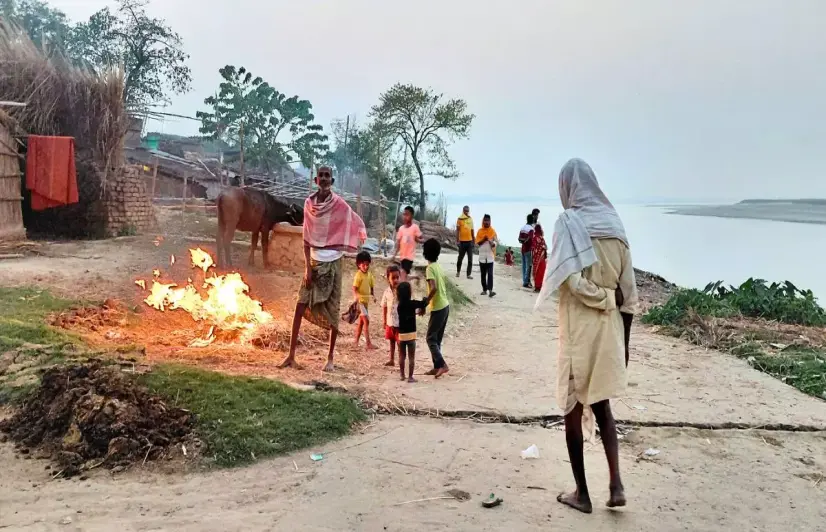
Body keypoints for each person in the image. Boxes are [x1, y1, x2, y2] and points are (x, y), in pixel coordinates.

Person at [535, 158, 637, 514]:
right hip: (609, 332)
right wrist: (624, 345)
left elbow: (571, 281)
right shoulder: (616, 225)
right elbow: (630, 297)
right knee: (604, 406)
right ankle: (616, 482)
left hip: (579, 330)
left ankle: (581, 492)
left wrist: (603, 297)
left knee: (572, 409)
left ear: (567, 187)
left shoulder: (568, 223)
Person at [280, 165, 367, 372]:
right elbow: (306, 238)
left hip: (334, 263)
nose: (325, 179)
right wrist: (307, 268)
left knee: (333, 309)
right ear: (316, 180)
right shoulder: (309, 204)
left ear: (332, 181)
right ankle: (291, 356)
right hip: (314, 262)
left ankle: (330, 359)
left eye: (328, 176)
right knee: (300, 305)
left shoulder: (340, 205)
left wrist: (360, 233)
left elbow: (355, 220)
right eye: (321, 175)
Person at [423, 238, 450, 378]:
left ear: (425, 253)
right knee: (436, 339)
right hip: (445, 305)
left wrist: (426, 302)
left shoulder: (429, 269)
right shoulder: (438, 266)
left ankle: (442, 364)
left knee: (430, 338)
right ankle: (436, 367)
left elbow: (433, 288)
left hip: (438, 307)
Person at [395, 281, 429, 382]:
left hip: (402, 335)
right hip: (411, 335)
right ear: (409, 293)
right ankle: (410, 377)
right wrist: (425, 299)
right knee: (411, 357)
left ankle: (402, 375)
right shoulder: (412, 303)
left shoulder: (399, 306)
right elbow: (424, 303)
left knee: (402, 356)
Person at [353, 251, 377, 350]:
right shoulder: (358, 275)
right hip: (360, 302)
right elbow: (354, 288)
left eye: (367, 264)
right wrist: (356, 296)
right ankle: (368, 344)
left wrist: (373, 296)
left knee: (362, 323)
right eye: (364, 264)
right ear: (359, 264)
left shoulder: (369, 275)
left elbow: (371, 287)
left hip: (366, 302)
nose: (366, 266)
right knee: (366, 321)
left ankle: (356, 341)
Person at [393, 205, 423, 281]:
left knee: (402, 274)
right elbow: (398, 243)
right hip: (402, 256)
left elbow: (420, 238)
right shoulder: (401, 229)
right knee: (403, 275)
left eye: (407, 214)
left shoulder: (415, 227)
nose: (405, 217)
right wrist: (394, 254)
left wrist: (419, 239)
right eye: (404, 214)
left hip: (409, 257)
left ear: (412, 216)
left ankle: (402, 290)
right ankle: (415, 277)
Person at [381, 264, 402, 367]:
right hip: (390, 322)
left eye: (397, 277)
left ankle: (401, 361)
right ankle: (391, 359)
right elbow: (384, 306)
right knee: (392, 341)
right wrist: (384, 321)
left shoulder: (402, 291)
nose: (396, 280)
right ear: (388, 279)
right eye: (393, 278)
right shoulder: (387, 292)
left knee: (400, 343)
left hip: (400, 322)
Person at [475, 214, 498, 297]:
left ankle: (490, 291)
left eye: (488, 221)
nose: (486, 222)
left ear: (490, 221)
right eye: (485, 220)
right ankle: (484, 290)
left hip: (490, 257)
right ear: (483, 221)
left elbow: (495, 243)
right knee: (483, 275)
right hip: (482, 257)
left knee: (490, 274)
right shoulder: (479, 231)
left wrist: (491, 242)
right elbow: (477, 243)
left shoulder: (493, 231)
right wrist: (483, 239)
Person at [455, 205, 475, 279]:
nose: (467, 212)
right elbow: (457, 230)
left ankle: (468, 274)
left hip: (469, 242)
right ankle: (458, 271)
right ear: (463, 210)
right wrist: (457, 241)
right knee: (460, 258)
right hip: (462, 242)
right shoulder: (459, 219)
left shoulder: (470, 219)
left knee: (470, 259)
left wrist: (474, 240)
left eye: (467, 210)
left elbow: (472, 230)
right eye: (465, 210)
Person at [518, 214, 535, 288]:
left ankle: (524, 281)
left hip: (523, 249)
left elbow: (519, 239)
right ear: (532, 220)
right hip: (528, 249)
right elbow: (530, 239)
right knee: (528, 266)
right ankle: (526, 282)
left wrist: (523, 241)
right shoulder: (531, 229)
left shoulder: (523, 228)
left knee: (524, 266)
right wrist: (526, 241)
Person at [532, 224, 547, 293]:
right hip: (542, 258)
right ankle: (540, 287)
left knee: (536, 272)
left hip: (536, 258)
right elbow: (545, 248)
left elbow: (533, 248)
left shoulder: (535, 238)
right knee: (541, 273)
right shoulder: (542, 239)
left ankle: (537, 287)